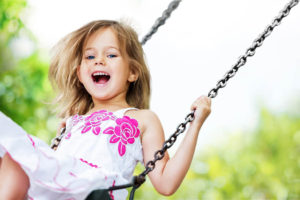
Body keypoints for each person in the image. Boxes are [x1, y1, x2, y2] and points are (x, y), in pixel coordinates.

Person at [0, 20, 211, 200]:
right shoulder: (73, 121)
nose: (99, 60)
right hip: (60, 190)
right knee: (14, 156)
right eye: (90, 57)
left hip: (98, 191)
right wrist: (59, 142)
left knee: (19, 154)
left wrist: (195, 125)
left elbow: (165, 184)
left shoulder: (142, 119)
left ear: (133, 72)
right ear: (80, 74)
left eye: (111, 55)